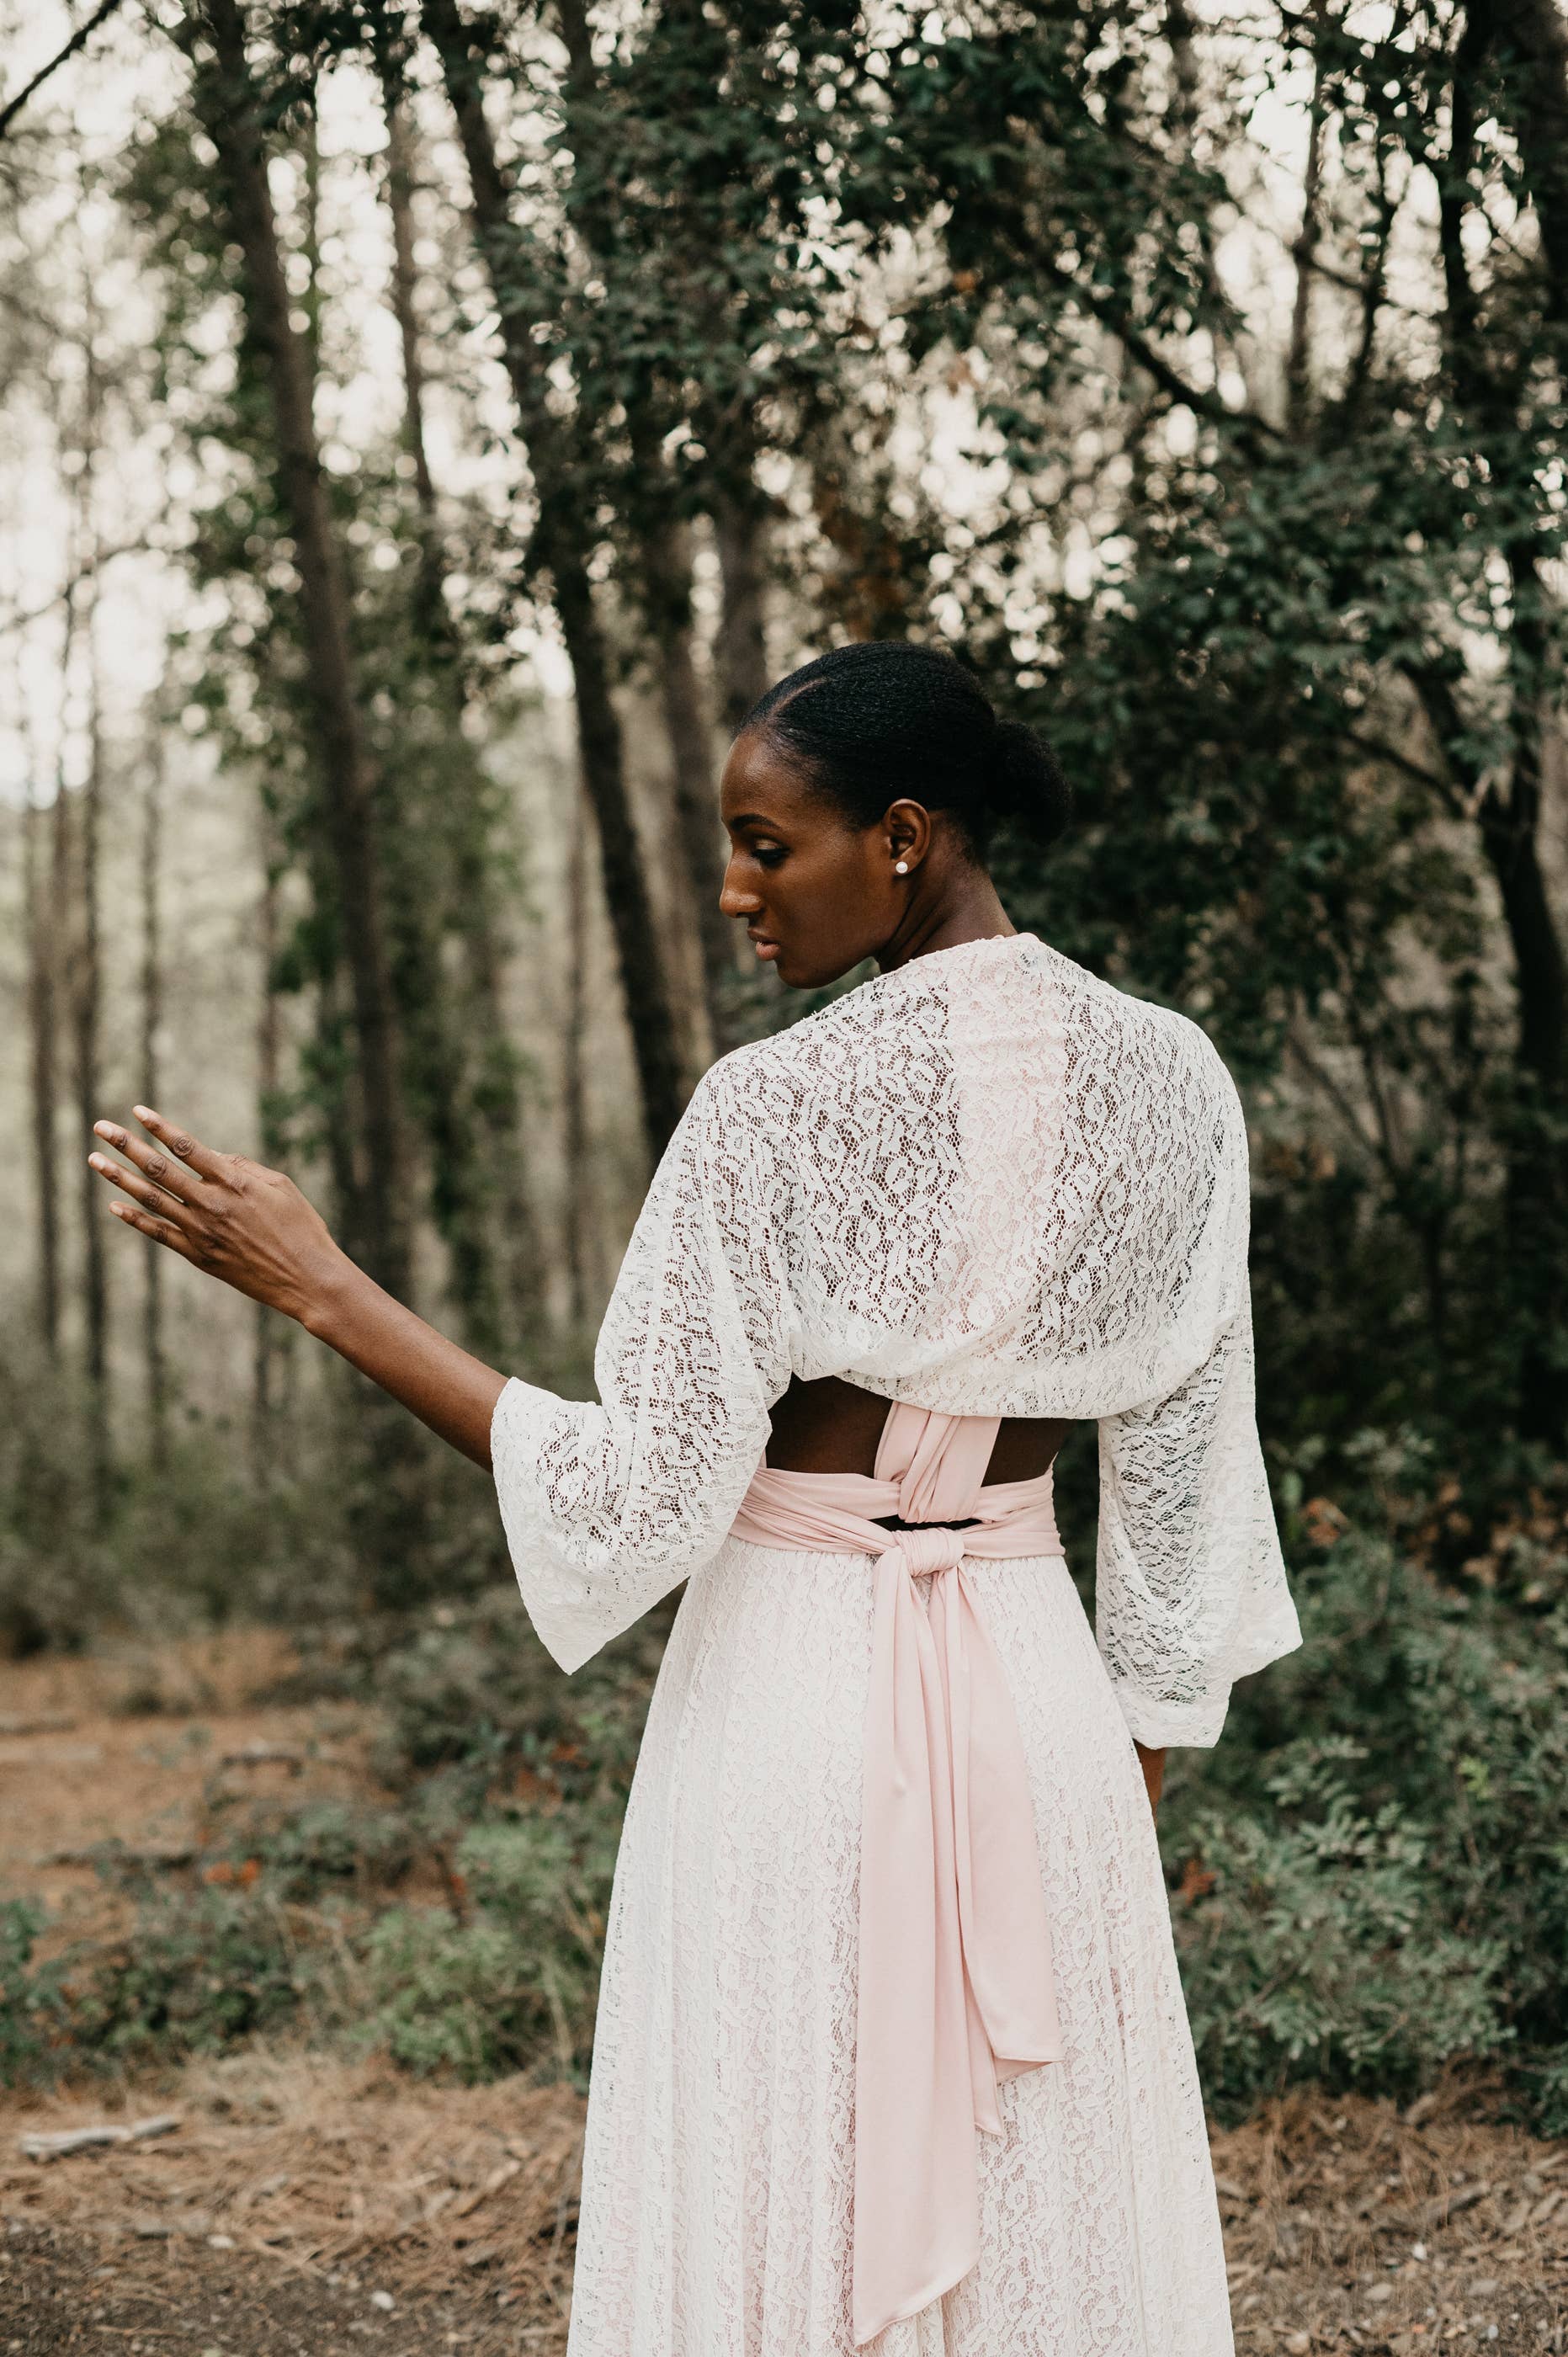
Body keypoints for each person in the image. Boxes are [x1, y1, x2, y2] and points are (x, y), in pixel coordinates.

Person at [89, 640, 1301, 2356]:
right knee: (1046, 2218)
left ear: (900, 834)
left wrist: (323, 1287)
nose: (731, 889)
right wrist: (1104, 1798)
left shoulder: (774, 1106)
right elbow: (1183, 1506)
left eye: (761, 841)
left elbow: (634, 1497)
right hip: (1045, 1725)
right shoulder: (1177, 1082)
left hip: (790, 1710)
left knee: (766, 2192)